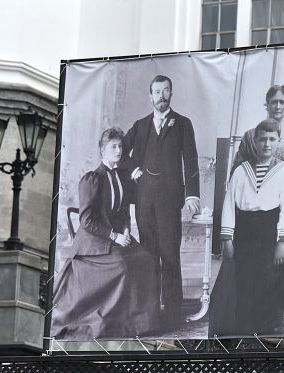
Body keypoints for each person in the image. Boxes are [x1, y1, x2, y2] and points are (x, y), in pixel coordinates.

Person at [51, 128, 161, 339]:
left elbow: (123, 212)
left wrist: (127, 230)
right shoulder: (92, 179)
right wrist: (114, 236)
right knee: (122, 265)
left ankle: (140, 323)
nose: (119, 151)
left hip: (117, 235)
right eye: (113, 147)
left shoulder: (122, 177)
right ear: (103, 150)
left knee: (146, 259)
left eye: (120, 146)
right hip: (93, 242)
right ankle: (116, 323)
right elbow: (86, 221)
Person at [123, 74, 201, 330]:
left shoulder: (183, 124)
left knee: (169, 257)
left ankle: (173, 316)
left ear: (171, 94)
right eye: (157, 91)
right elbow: (120, 151)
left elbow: (190, 160)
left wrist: (192, 195)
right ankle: (151, 314)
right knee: (149, 257)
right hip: (144, 201)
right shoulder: (140, 125)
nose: (161, 95)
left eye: (166, 90)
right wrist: (134, 170)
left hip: (170, 200)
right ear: (150, 96)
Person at [212, 119, 284, 337]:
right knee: (244, 281)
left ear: (278, 142)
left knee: (268, 282)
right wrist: (227, 238)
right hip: (245, 232)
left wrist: (281, 243)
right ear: (255, 141)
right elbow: (229, 204)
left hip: (269, 232)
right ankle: (244, 331)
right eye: (263, 139)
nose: (267, 144)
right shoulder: (241, 171)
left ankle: (265, 332)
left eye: (272, 139)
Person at [231, 85, 284, 173]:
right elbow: (237, 171)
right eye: (274, 102)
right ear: (267, 105)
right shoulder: (249, 137)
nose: (278, 107)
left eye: (282, 102)